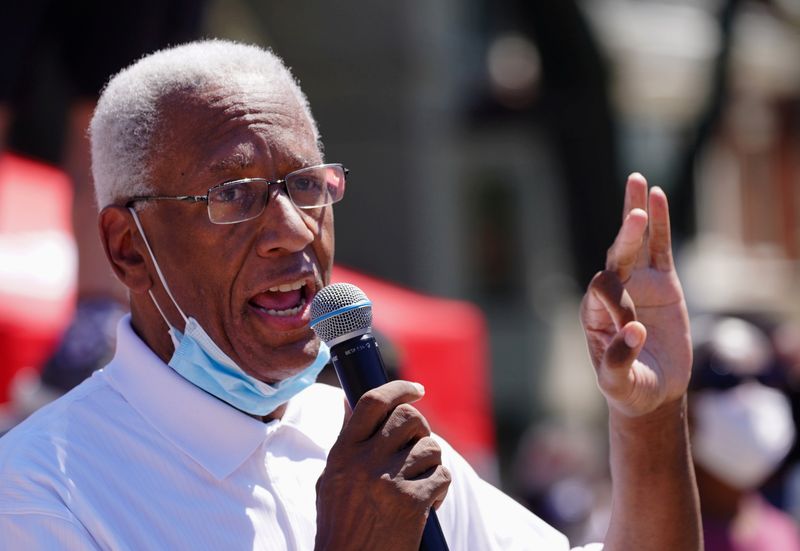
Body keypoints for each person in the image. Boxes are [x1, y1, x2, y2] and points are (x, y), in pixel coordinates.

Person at [0, 40, 701, 550]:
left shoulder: (365, 442)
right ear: (127, 247)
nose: (290, 229)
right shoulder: (42, 491)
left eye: (306, 185)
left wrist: (649, 418)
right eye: (233, 194)